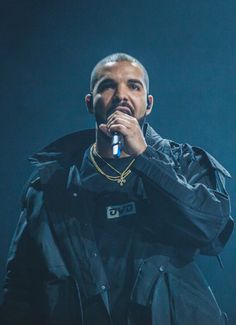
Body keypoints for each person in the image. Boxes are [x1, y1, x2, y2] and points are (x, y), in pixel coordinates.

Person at [0, 53, 233, 325]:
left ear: (149, 104)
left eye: (134, 86)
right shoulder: (51, 185)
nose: (121, 95)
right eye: (108, 85)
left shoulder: (186, 162)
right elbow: (19, 287)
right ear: (90, 103)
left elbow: (210, 231)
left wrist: (144, 158)